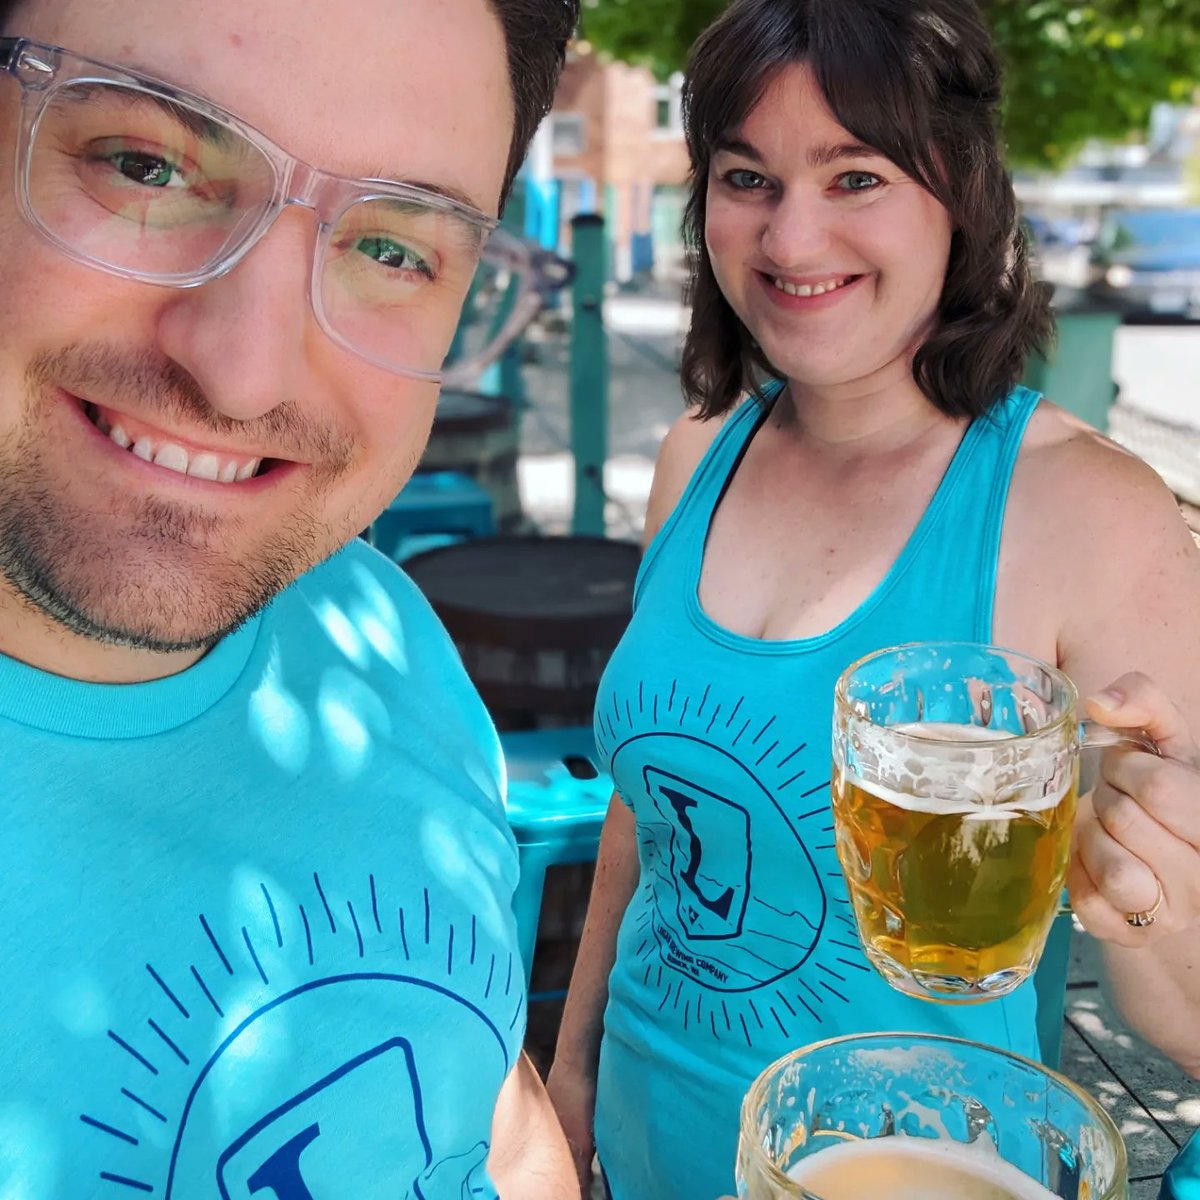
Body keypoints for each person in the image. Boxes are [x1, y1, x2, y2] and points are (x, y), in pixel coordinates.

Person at [546, 1, 1200, 1197]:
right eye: (749, 175)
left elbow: (1191, 1014)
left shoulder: (1090, 512)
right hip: (645, 1139)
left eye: (855, 176)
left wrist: (1152, 897)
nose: (792, 236)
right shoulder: (700, 451)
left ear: (961, 194)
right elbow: (648, 816)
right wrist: (575, 1058)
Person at [0, 0, 580, 1194]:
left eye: (391, 248)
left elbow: (483, 1103)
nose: (244, 371)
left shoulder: (378, 627)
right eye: (145, 164)